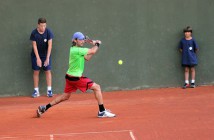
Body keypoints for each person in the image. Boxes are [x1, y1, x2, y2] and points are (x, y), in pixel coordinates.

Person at [36, 32, 116, 118]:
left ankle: (44, 107)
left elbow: (87, 57)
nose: (82, 41)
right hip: (75, 78)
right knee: (97, 87)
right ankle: (102, 111)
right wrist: (97, 44)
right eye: (80, 40)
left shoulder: (76, 50)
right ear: (75, 40)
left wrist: (94, 46)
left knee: (65, 96)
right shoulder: (76, 50)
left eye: (83, 39)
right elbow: (93, 51)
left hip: (69, 77)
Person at [30, 18, 54, 98]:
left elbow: (50, 45)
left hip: (46, 54)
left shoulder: (48, 32)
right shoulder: (34, 33)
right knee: (36, 72)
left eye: (44, 25)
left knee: (48, 71)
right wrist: (38, 58)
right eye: (41, 26)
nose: (43, 27)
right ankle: (36, 91)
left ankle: (49, 90)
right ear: (38, 25)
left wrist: (47, 58)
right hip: (36, 55)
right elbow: (34, 46)